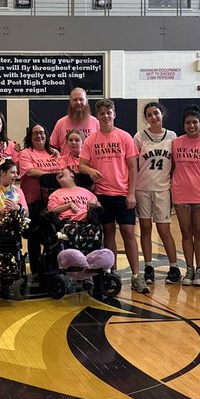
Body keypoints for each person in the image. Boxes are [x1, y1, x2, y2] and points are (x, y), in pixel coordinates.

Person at [80, 98, 146, 293]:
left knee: (128, 234)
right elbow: (81, 165)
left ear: (114, 114)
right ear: (97, 116)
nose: (106, 116)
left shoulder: (125, 137)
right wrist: (90, 171)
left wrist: (131, 193)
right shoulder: (91, 140)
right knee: (108, 233)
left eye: (109, 113)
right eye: (102, 113)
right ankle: (111, 272)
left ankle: (136, 275)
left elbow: (133, 167)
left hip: (123, 194)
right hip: (102, 195)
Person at [170, 106, 200, 286]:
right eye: (188, 122)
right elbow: (172, 168)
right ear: (184, 125)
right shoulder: (176, 143)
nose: (191, 125)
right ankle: (188, 269)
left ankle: (199, 269)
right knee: (186, 232)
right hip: (181, 193)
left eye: (195, 122)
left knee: (199, 232)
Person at [133, 101, 179, 284]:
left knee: (164, 230)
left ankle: (174, 267)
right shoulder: (139, 137)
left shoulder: (172, 136)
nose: (153, 117)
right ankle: (149, 267)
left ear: (162, 114)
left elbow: (175, 164)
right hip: (142, 188)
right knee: (145, 229)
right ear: (146, 118)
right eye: (149, 114)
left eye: (156, 113)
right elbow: (132, 164)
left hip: (163, 189)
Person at [16, 123, 65, 277]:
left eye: (42, 132)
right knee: (34, 235)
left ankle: (51, 265)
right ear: (30, 136)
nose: (39, 136)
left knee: (53, 233)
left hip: (54, 201)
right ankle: (36, 268)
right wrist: (51, 176)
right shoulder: (25, 153)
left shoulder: (55, 153)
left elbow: (62, 171)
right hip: (34, 201)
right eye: (35, 133)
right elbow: (29, 172)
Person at [52, 87, 99, 156]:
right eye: (75, 100)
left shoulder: (96, 123)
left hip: (89, 165)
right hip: (67, 165)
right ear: (70, 102)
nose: (78, 102)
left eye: (81, 99)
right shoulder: (60, 123)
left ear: (86, 101)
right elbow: (52, 146)